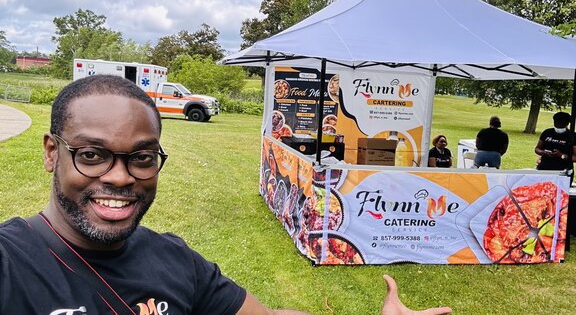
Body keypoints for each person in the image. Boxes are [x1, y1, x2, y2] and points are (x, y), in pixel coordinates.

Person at [0, 75, 451, 314]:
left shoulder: (174, 260)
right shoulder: (11, 264)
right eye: (93, 155)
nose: (120, 178)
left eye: (141, 157)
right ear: (52, 152)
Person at [535, 111, 575, 182]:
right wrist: (544, 152)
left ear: (567, 124)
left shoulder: (572, 136)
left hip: (563, 172)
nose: (558, 126)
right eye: (556, 123)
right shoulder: (547, 132)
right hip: (544, 168)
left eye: (561, 124)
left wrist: (561, 155)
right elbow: (537, 148)